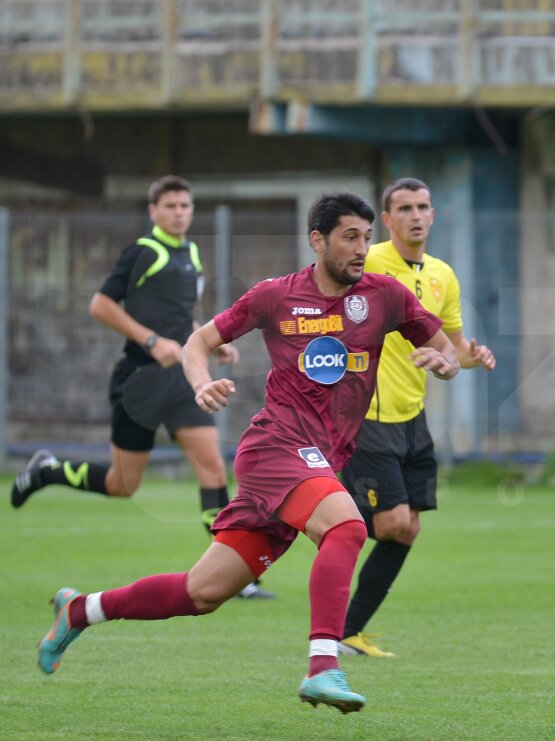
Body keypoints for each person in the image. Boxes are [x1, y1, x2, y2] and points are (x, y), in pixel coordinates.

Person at [36, 191, 459, 712]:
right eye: (350, 237)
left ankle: (81, 610)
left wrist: (443, 363)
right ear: (317, 240)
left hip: (318, 460)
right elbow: (199, 341)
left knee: (202, 593)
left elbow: (444, 346)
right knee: (348, 527)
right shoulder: (275, 295)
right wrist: (199, 383)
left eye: (366, 238)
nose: (360, 248)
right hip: (276, 446)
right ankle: (324, 666)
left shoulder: (384, 296)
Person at [8, 178, 274, 595]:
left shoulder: (191, 253)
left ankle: (238, 578)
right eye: (170, 205)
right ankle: (48, 470)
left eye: (185, 205)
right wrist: (150, 341)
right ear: (154, 211)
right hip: (140, 382)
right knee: (122, 484)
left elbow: (179, 313)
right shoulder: (143, 252)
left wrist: (206, 345)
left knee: (212, 468)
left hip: (181, 380)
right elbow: (101, 305)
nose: (179, 212)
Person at [337, 177, 495, 658]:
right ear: (386, 220)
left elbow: (449, 346)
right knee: (391, 521)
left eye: (423, 206)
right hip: (370, 415)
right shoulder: (368, 263)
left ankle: (348, 629)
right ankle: (326, 523)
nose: (415, 215)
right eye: (404, 208)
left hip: (413, 417)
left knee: (408, 528)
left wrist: (473, 356)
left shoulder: (443, 275)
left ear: (434, 214)